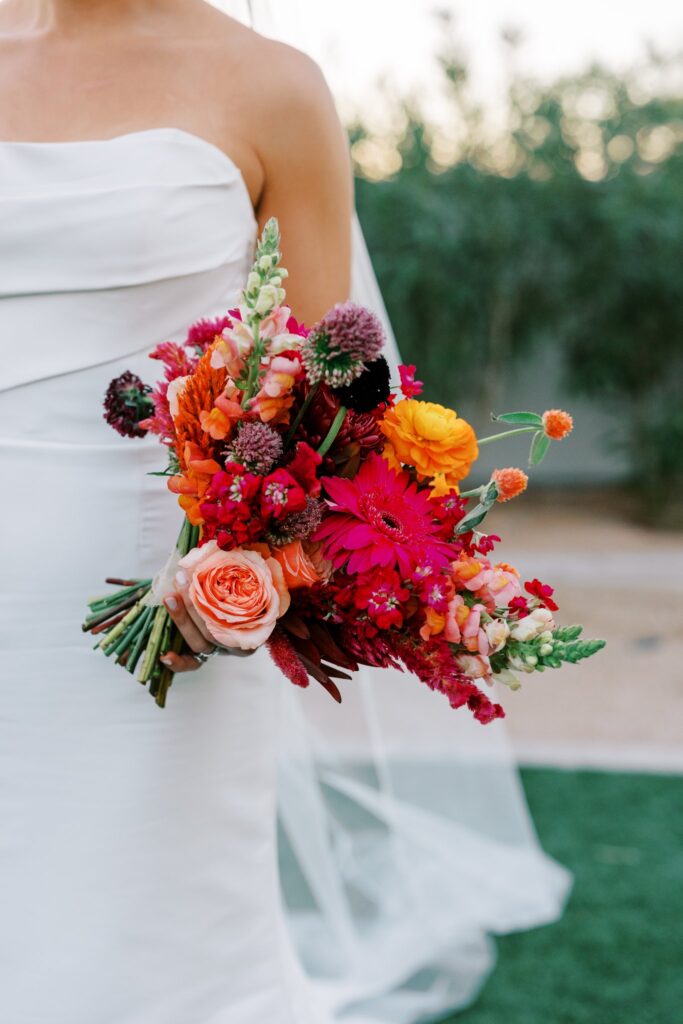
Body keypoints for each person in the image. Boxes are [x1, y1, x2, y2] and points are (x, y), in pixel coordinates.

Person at [0, 2, 570, 1021]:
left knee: (149, 926)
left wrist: (264, 550)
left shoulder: (267, 83)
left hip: (162, 603)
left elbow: (330, 403)